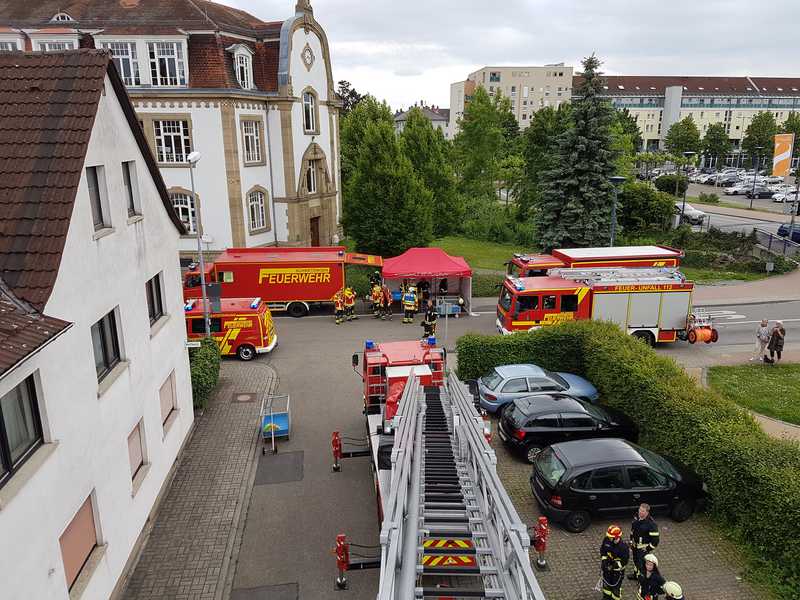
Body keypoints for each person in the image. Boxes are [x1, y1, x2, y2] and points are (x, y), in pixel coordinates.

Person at [629, 503, 660, 580]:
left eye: (642, 511)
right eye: (639, 510)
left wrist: (648, 548)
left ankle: (642, 579)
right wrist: (631, 541)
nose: (640, 512)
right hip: (635, 545)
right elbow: (632, 530)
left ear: (647, 512)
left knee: (641, 564)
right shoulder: (636, 517)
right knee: (635, 561)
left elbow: (655, 540)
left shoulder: (651, 524)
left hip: (643, 548)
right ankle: (636, 575)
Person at [600, 525, 629, 600]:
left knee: (615, 589)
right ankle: (606, 597)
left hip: (617, 572)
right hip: (607, 569)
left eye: (610, 537)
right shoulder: (606, 540)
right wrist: (604, 561)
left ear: (616, 538)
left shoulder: (623, 548)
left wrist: (614, 566)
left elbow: (624, 562)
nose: (609, 538)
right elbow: (603, 551)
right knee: (606, 585)